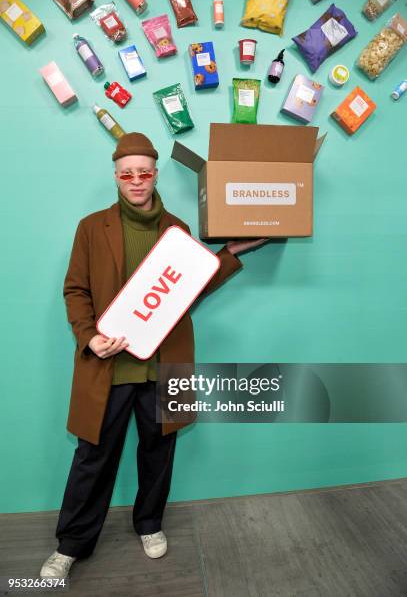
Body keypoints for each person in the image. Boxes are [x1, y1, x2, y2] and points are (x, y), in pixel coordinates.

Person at [40, 133, 267, 579]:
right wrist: (88, 337)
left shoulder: (177, 230)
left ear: (155, 174)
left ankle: (149, 523)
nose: (137, 180)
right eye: (128, 173)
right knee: (93, 456)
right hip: (111, 364)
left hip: (165, 363)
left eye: (144, 172)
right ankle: (71, 544)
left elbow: (188, 289)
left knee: (158, 449)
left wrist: (228, 255)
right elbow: (75, 290)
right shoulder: (92, 227)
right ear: (117, 177)